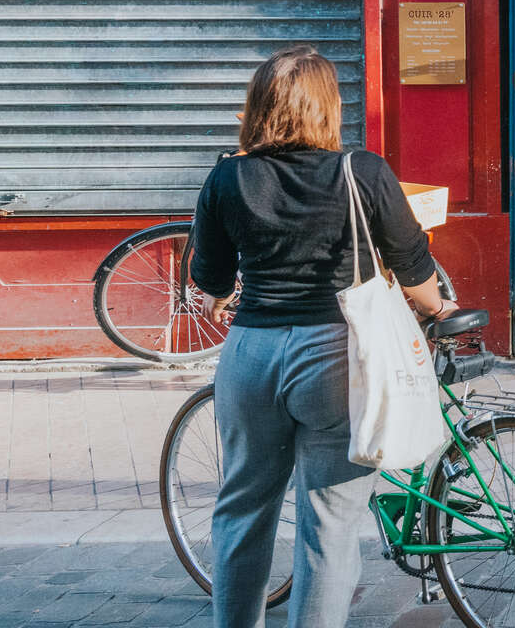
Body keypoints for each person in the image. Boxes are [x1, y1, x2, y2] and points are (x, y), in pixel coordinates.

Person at [190, 46, 450, 628]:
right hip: (338, 355)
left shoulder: (227, 176)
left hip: (252, 353)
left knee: (242, 511)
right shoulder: (363, 171)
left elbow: (209, 282)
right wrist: (440, 306)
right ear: (328, 107)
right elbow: (413, 267)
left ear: (257, 106)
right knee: (328, 523)